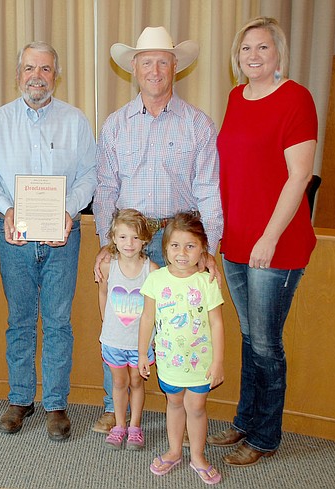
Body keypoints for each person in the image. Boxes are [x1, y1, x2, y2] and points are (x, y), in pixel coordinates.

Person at [91, 26, 223, 433]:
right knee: (120, 321)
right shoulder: (115, 125)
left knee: (177, 329)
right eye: (146, 61)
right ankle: (116, 409)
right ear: (134, 67)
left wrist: (208, 251)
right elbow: (106, 188)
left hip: (178, 245)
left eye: (162, 61)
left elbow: (208, 191)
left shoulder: (198, 124)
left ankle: (179, 418)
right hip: (129, 244)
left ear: (175, 67)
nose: (154, 69)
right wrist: (106, 245)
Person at [0, 41, 97, 441]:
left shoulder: (76, 122)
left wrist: (69, 210)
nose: (37, 76)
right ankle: (21, 398)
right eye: (29, 68)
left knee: (59, 321)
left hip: (63, 235)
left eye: (45, 69)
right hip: (15, 238)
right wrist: (5, 208)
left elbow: (89, 176)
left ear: (56, 76)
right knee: (20, 321)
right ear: (18, 74)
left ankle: (56, 403)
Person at [207, 17, 318, 467]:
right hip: (236, 243)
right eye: (246, 49)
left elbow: (299, 177)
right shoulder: (237, 97)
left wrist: (269, 238)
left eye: (263, 48)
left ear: (278, 54)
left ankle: (266, 436)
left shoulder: (296, 98)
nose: (253, 56)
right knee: (251, 338)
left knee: (267, 344)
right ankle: (245, 420)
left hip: (275, 246)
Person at [138, 212, 224, 485]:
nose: (182, 253)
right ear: (165, 249)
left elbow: (217, 324)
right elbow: (147, 318)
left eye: (190, 246)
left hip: (201, 362)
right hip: (168, 360)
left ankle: (197, 456)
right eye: (175, 246)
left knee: (196, 406)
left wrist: (219, 362)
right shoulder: (156, 279)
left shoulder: (207, 281)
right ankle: (175, 450)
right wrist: (142, 353)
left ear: (202, 250)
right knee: (174, 402)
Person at [98, 209, 158, 450]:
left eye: (134, 237)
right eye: (122, 237)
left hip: (139, 343)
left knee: (136, 382)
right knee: (119, 382)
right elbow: (103, 294)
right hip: (114, 340)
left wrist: (152, 340)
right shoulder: (106, 266)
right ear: (113, 238)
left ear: (144, 239)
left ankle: (135, 426)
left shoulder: (151, 270)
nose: (129, 243)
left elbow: (154, 308)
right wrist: (106, 325)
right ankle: (119, 425)